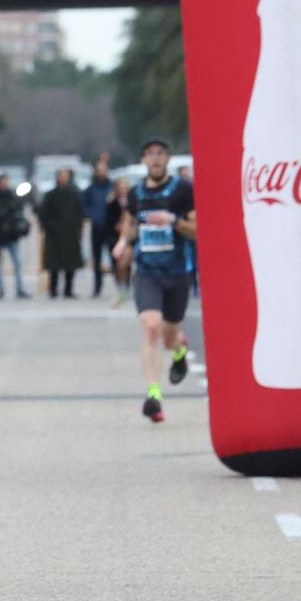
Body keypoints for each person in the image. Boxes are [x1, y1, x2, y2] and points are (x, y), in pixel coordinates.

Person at [113, 139, 197, 423]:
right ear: (143, 160)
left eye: (160, 154)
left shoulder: (183, 191)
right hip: (147, 272)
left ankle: (180, 350)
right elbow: (130, 224)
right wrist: (123, 242)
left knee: (169, 336)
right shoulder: (136, 194)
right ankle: (154, 395)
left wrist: (173, 222)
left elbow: (197, 231)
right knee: (151, 327)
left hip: (177, 272)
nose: (155, 159)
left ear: (168, 158)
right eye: (150, 154)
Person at [0, 173, 31, 300]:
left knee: (17, 262)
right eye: (2, 181)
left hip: (11, 235)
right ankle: (0, 289)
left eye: (6, 181)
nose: (4, 184)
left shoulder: (13, 198)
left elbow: (19, 213)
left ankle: (20, 288)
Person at [39, 168, 85, 298]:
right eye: (61, 176)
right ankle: (53, 289)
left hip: (70, 234)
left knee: (70, 264)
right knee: (54, 265)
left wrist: (77, 228)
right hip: (54, 235)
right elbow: (43, 214)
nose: (63, 179)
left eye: (66, 176)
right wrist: (50, 227)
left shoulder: (74, 194)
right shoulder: (50, 195)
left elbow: (79, 213)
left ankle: (68, 290)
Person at [82, 158, 113, 298]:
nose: (102, 172)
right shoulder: (90, 189)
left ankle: (121, 285)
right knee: (97, 259)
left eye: (104, 169)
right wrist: (92, 216)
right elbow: (84, 206)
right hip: (97, 227)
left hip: (111, 228)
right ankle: (97, 287)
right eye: (99, 169)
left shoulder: (112, 188)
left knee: (115, 258)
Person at [106, 177, 134, 306]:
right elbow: (107, 219)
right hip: (115, 236)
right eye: (120, 188)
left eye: (125, 188)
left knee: (125, 263)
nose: (123, 190)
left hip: (129, 237)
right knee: (118, 264)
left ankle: (126, 287)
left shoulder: (133, 201)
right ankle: (122, 287)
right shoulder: (112, 202)